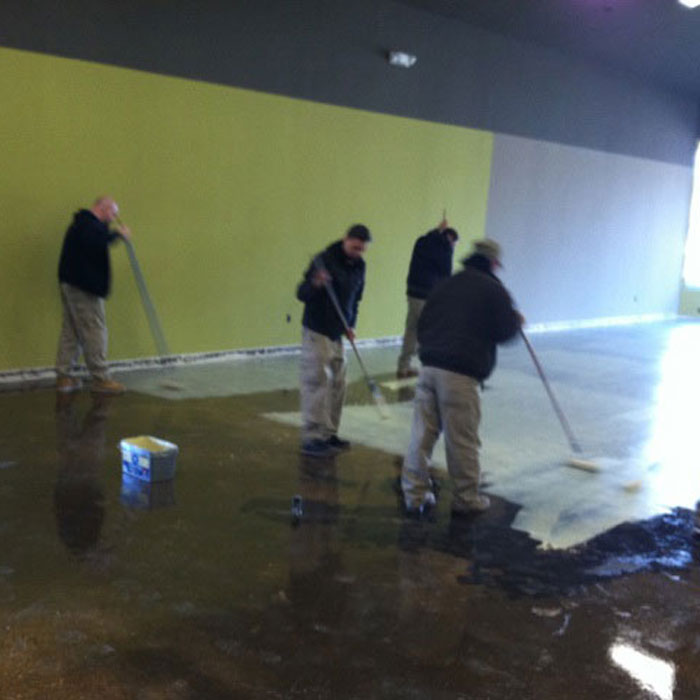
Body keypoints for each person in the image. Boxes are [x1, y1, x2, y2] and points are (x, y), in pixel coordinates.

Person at [401, 238, 523, 517]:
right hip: (461, 375)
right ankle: (467, 498)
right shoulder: (495, 290)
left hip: (429, 368)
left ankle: (414, 494)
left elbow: (423, 322)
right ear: (494, 263)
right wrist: (517, 320)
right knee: (462, 439)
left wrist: (430, 352)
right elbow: (506, 333)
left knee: (421, 435)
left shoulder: (446, 283)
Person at [296, 224, 372, 458]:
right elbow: (302, 293)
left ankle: (329, 433)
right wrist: (316, 283)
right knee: (317, 382)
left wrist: (351, 325)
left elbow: (355, 300)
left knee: (338, 383)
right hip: (317, 329)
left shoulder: (360, 266)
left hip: (339, 332)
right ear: (345, 239)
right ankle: (312, 437)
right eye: (355, 247)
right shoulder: (323, 260)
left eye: (362, 249)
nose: (357, 252)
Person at [55, 196, 131, 394]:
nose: (114, 218)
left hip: (71, 284)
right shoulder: (89, 225)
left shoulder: (82, 224)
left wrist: (113, 234)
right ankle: (101, 378)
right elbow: (97, 241)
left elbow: (96, 240)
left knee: (71, 331)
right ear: (103, 208)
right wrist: (118, 235)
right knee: (95, 329)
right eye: (113, 213)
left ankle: (64, 377)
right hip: (83, 287)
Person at [397, 219, 458, 378]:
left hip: (412, 293)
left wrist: (437, 230)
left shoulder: (422, 242)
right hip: (427, 296)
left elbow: (430, 238)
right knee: (430, 332)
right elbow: (446, 273)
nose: (453, 247)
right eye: (454, 243)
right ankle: (431, 369)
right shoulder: (444, 250)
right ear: (450, 239)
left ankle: (404, 366)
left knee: (412, 329)